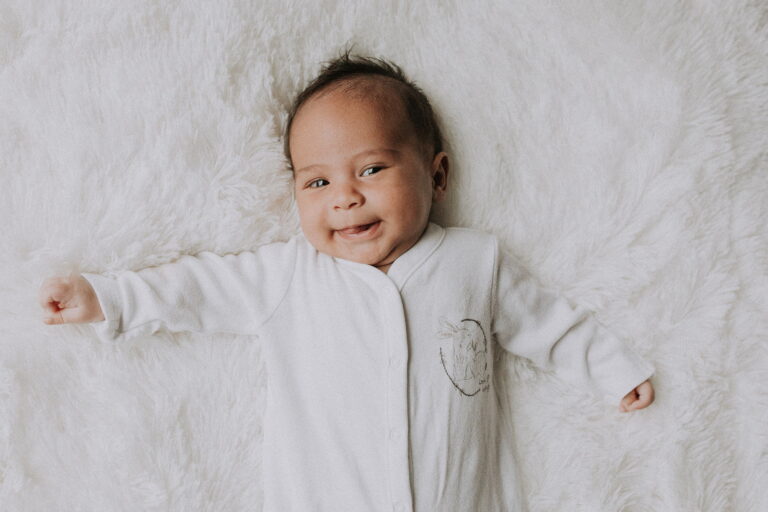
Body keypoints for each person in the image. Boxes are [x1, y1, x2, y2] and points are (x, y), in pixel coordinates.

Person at [38, 52, 655, 512]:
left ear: (437, 175)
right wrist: (107, 297)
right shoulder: (287, 276)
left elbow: (547, 322)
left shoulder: (475, 262)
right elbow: (196, 289)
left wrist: (610, 367)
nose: (346, 197)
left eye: (371, 168)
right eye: (317, 182)